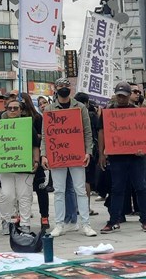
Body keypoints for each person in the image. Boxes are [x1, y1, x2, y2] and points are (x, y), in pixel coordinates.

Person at [41, 78, 97, 237]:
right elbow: (45, 134)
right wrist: (44, 154)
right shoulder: (49, 109)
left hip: (77, 154)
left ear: (70, 88)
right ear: (55, 88)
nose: (64, 88)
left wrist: (88, 152)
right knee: (59, 191)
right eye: (60, 85)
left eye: (66, 85)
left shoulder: (80, 107)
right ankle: (59, 224)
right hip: (57, 154)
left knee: (80, 190)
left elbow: (87, 132)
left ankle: (85, 224)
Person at [98, 81, 146, 234]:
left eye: (124, 96)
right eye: (119, 96)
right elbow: (102, 132)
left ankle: (145, 220)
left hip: (136, 157)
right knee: (117, 188)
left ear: (129, 96)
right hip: (116, 157)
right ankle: (114, 220)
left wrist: (145, 150)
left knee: (141, 187)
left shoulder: (137, 112)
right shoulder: (108, 112)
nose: (121, 98)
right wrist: (102, 153)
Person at [0, 95, 40, 235]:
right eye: (10, 108)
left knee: (25, 196)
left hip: (25, 167)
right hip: (5, 167)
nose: (12, 110)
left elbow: (35, 145)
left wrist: (36, 161)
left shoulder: (28, 126)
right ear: (6, 110)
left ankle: (25, 224)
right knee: (6, 195)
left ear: (21, 110)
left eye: (15, 108)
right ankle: (6, 221)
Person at [21, 94, 50, 228]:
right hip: (19, 159)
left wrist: (32, 136)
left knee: (40, 188)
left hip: (34, 156)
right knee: (22, 191)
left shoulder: (37, 118)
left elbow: (43, 137)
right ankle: (22, 218)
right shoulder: (10, 119)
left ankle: (44, 216)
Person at [74, 92, 100, 217]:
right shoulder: (91, 115)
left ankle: (76, 207)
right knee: (86, 180)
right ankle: (86, 207)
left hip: (74, 150)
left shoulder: (72, 115)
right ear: (86, 103)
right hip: (89, 151)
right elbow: (98, 132)